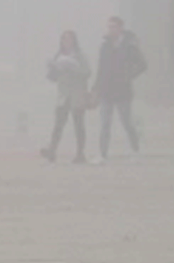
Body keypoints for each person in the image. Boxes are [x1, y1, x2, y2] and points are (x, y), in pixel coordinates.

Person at [92, 16, 147, 159]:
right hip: (106, 90)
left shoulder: (129, 45)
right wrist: (95, 88)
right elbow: (101, 68)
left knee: (126, 122)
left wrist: (129, 76)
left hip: (123, 91)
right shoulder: (105, 46)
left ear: (121, 28)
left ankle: (134, 141)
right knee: (105, 124)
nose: (111, 30)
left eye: (114, 27)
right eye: (109, 27)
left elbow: (142, 65)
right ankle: (103, 152)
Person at [41, 30, 90, 163]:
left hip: (77, 94)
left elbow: (87, 72)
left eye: (69, 39)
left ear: (74, 41)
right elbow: (53, 78)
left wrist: (74, 69)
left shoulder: (80, 56)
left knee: (78, 125)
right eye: (64, 39)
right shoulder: (58, 55)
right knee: (58, 124)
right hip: (63, 95)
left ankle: (80, 153)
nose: (66, 42)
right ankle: (52, 150)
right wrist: (53, 68)